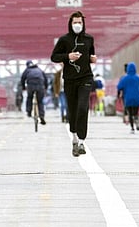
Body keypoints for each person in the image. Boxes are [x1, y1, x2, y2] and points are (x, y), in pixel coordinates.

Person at [51, 10, 97, 157]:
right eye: (75, 22)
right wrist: (68, 56)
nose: (77, 25)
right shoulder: (64, 40)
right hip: (70, 80)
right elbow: (54, 57)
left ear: (83, 24)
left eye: (80, 22)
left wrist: (93, 59)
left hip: (86, 78)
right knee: (73, 110)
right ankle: (75, 140)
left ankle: (82, 141)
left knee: (83, 107)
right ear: (70, 24)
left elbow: (92, 55)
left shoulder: (89, 39)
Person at [117, 62, 139, 132]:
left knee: (130, 114)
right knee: (136, 112)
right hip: (137, 98)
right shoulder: (138, 78)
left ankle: (132, 128)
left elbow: (119, 87)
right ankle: (137, 119)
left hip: (128, 98)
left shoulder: (124, 78)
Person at [20, 60, 48, 125]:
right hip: (40, 86)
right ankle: (41, 116)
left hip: (30, 86)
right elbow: (45, 79)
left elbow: (22, 79)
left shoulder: (27, 70)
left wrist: (23, 88)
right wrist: (45, 88)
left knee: (29, 98)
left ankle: (29, 112)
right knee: (40, 101)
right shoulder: (39, 69)